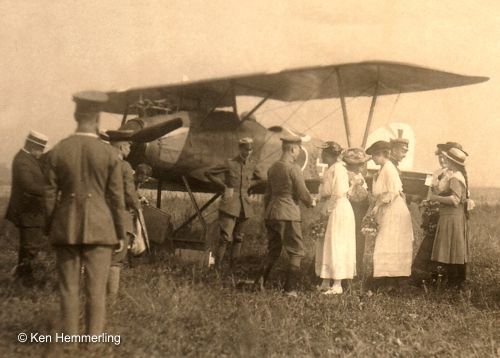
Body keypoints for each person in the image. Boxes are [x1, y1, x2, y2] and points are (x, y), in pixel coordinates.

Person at [45, 91, 126, 336]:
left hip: (66, 226)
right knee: (96, 290)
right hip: (101, 229)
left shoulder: (59, 150)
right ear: (98, 118)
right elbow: (116, 199)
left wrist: (50, 226)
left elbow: (49, 195)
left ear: (75, 114)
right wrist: (121, 232)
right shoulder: (110, 154)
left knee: (68, 289)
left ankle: (68, 342)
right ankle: (93, 343)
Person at [254, 135, 314, 297]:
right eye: (298, 150)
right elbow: (302, 192)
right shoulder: (293, 169)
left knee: (273, 250)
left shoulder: (272, 168)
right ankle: (290, 289)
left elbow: (268, 194)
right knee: (296, 252)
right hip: (288, 214)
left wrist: (267, 212)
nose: (298, 153)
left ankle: (259, 282)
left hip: (271, 213)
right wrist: (311, 202)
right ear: (293, 149)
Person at [205, 137, 263, 269]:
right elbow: (209, 173)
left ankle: (233, 268)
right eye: (245, 149)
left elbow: (261, 179)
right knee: (225, 237)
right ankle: (217, 268)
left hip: (245, 205)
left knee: (239, 238)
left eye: (250, 149)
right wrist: (224, 186)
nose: (247, 152)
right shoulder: (229, 163)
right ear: (240, 148)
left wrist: (248, 186)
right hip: (230, 204)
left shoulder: (252, 164)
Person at [5, 130, 49, 286]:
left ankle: (22, 278)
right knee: (30, 248)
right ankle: (25, 280)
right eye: (40, 149)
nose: (41, 153)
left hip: (31, 212)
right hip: (27, 212)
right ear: (32, 146)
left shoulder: (28, 158)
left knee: (29, 247)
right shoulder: (23, 161)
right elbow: (28, 185)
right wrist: (50, 191)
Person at [366, 141, 413, 284]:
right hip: (388, 208)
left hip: (393, 209)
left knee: (390, 242)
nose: (372, 158)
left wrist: (377, 205)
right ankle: (385, 277)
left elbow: (392, 193)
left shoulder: (389, 169)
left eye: (374, 155)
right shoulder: (383, 169)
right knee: (386, 242)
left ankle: (391, 280)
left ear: (382, 154)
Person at [315, 142, 356, 295]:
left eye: (324, 152)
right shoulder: (331, 169)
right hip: (332, 207)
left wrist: (328, 209)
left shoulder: (338, 169)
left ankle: (337, 284)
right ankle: (326, 280)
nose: (322, 155)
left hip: (339, 208)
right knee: (327, 242)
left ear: (331, 154)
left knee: (337, 243)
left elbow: (338, 192)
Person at [106, 130, 141, 304]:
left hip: (98, 216)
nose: (130, 149)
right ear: (121, 146)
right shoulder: (124, 166)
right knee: (116, 259)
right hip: (119, 217)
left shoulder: (99, 161)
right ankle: (111, 299)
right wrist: (138, 206)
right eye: (128, 146)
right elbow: (129, 193)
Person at [429, 145, 470, 288]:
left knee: (452, 247)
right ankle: (453, 282)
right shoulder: (455, 175)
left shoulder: (455, 178)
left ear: (452, 161)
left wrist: (435, 198)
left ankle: (454, 283)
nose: (444, 160)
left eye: (446, 158)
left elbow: (455, 200)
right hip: (450, 216)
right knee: (453, 248)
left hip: (452, 217)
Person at [342, 147, 371, 277]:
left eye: (363, 163)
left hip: (360, 212)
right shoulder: (348, 175)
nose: (362, 165)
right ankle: (348, 271)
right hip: (352, 211)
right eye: (360, 163)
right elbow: (355, 196)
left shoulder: (359, 176)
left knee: (359, 241)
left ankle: (356, 270)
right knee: (351, 241)